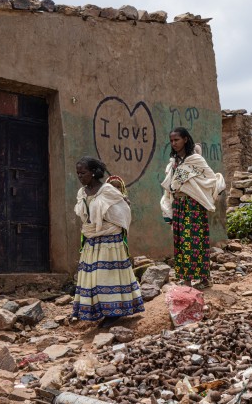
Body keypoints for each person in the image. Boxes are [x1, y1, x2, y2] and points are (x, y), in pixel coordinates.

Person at [72, 157, 145, 328]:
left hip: (109, 240)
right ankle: (100, 311)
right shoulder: (82, 193)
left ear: (93, 172)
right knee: (93, 278)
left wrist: (109, 228)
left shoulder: (107, 191)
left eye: (83, 173)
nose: (80, 176)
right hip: (92, 240)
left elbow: (123, 213)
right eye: (78, 173)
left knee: (107, 276)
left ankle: (114, 313)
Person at [160, 127, 225, 289]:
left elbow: (210, 179)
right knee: (181, 241)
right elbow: (170, 187)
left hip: (194, 205)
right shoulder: (174, 163)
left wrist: (195, 187)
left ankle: (200, 278)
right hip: (179, 205)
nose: (174, 143)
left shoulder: (196, 160)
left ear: (185, 140)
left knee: (194, 241)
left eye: (177, 140)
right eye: (172, 141)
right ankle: (187, 279)